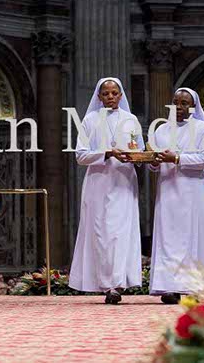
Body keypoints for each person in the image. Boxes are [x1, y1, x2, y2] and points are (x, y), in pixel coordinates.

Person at [149, 87, 204, 304]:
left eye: (184, 103)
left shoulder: (202, 129)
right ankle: (170, 287)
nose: (178, 106)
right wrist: (153, 162)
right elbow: (154, 163)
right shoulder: (161, 130)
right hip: (168, 191)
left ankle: (196, 285)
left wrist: (177, 158)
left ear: (193, 107)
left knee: (193, 238)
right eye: (175, 102)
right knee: (169, 239)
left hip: (194, 192)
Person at [69, 77, 144, 305]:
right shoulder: (90, 120)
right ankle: (106, 284)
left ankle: (117, 284)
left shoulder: (131, 120)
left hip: (123, 182)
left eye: (114, 93)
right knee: (101, 234)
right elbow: (81, 155)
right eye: (106, 93)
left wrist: (135, 156)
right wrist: (108, 153)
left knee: (121, 233)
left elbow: (140, 150)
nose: (110, 97)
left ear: (121, 95)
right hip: (99, 183)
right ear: (99, 97)